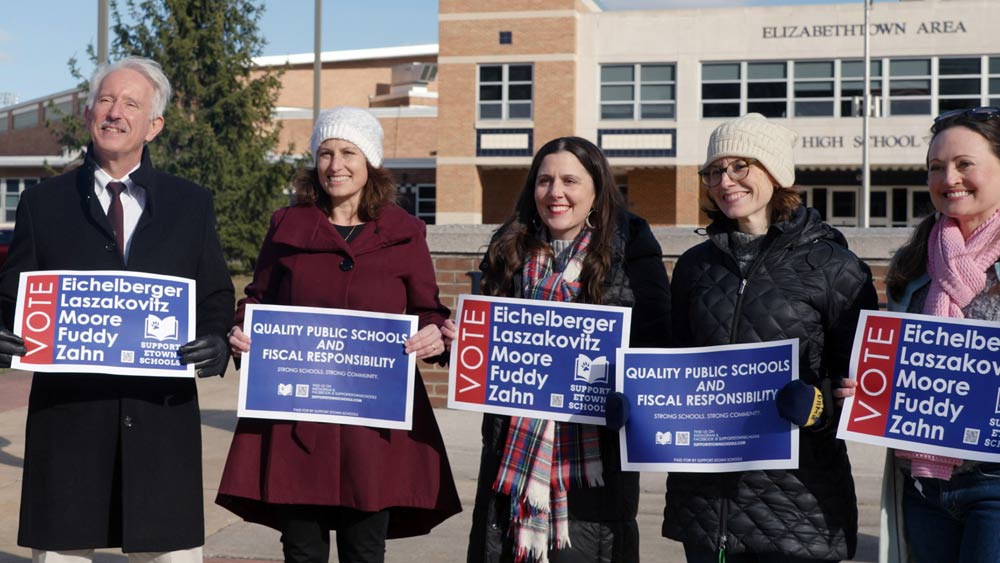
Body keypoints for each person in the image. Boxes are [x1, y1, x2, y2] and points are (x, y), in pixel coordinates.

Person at [0, 57, 234, 562]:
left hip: (159, 423)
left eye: (131, 103)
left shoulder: (191, 204)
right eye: (105, 100)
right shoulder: (44, 204)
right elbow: (11, 294)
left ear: (154, 125)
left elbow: (215, 294)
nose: (114, 112)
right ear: (88, 114)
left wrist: (216, 339)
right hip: (69, 423)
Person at [215, 106, 462, 563]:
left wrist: (435, 335)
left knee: (364, 548)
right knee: (301, 549)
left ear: (370, 162)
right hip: (295, 416)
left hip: (374, 422)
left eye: (348, 152)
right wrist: (242, 329)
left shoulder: (405, 235)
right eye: (326, 153)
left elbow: (429, 309)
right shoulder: (286, 227)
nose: (336, 165)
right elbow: (256, 299)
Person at [664, 113, 878, 563]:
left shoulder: (834, 268)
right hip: (705, 503)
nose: (725, 181)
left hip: (797, 506)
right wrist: (642, 411)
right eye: (715, 171)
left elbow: (869, 386)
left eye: (740, 166)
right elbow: (672, 367)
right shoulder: (695, 267)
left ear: (775, 174)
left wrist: (819, 405)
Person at [462, 136, 671, 563]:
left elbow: (657, 345)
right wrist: (455, 342)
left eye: (570, 181)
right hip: (511, 456)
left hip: (594, 458)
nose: (555, 192)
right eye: (544, 181)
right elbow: (482, 348)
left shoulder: (631, 251)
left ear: (597, 189)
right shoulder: (508, 249)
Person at [864, 107, 1000, 563]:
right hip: (924, 487)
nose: (949, 177)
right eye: (936, 167)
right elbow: (900, 365)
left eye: (965, 164)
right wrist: (867, 388)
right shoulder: (914, 263)